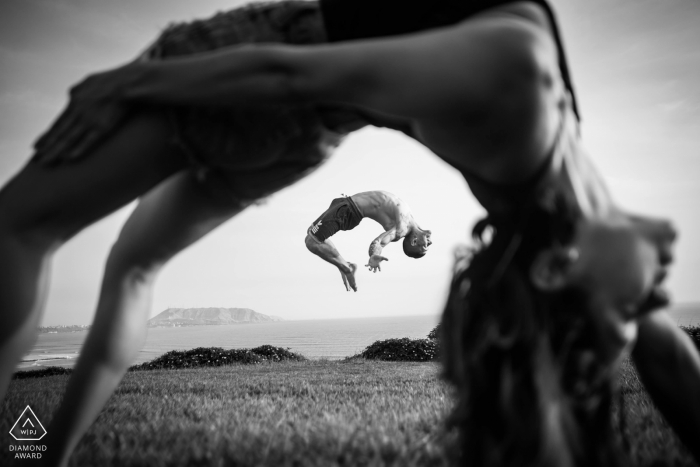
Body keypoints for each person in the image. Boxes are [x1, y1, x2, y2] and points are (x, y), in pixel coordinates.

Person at [0, 0, 698, 465]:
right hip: (311, 128)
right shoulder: (574, 205)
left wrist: (127, 82)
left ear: (554, 269)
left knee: (17, 230)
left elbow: (282, 73)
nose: (651, 295)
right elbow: (666, 355)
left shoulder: (515, 83)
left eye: (621, 320)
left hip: (257, 75)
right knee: (133, 268)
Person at [305, 190, 432, 292]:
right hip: (345, 204)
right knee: (312, 232)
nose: (430, 243)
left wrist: (375, 255)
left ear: (414, 241)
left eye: (426, 246)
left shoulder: (401, 229)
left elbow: (379, 242)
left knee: (311, 241)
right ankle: (343, 264)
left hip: (348, 210)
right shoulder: (410, 219)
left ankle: (346, 267)